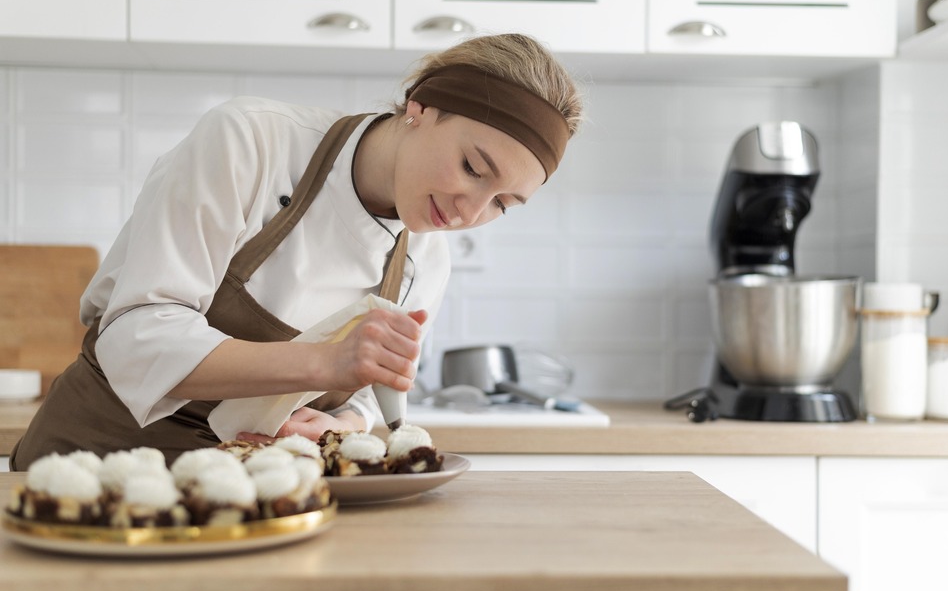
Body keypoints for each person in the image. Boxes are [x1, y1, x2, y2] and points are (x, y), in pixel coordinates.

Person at [10, 33, 583, 470]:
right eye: (472, 167)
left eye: (502, 203)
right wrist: (323, 363)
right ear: (420, 106)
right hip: (95, 466)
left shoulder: (424, 260)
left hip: (257, 496)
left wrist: (329, 420)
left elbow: (362, 397)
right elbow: (133, 340)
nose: (468, 211)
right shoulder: (250, 141)